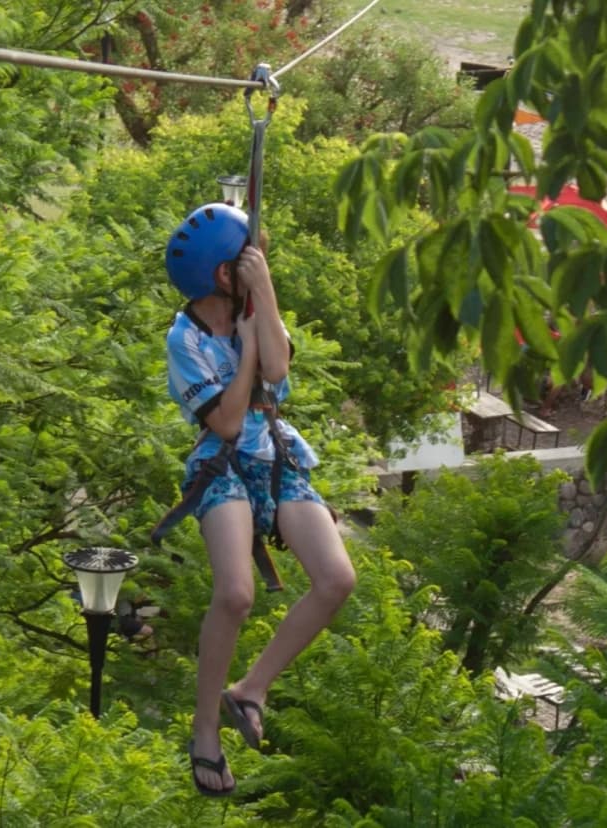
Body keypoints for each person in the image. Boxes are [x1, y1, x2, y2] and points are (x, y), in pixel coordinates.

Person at [162, 203, 356, 797]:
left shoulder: (256, 305)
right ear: (224, 274)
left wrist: (265, 294)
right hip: (222, 462)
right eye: (250, 259)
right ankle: (204, 732)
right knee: (236, 593)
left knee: (335, 579)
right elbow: (223, 420)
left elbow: (278, 369)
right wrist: (243, 351)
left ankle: (250, 689)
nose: (259, 263)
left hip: (274, 453)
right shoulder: (184, 338)